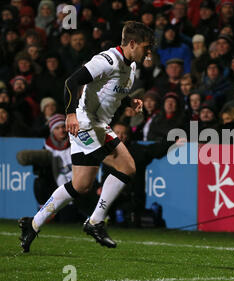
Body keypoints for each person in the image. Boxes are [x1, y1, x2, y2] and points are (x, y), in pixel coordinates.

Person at [18, 21, 155, 253]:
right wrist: (70, 114)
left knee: (81, 185)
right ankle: (95, 221)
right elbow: (71, 82)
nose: (149, 52)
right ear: (132, 43)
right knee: (127, 166)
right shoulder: (107, 60)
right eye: (146, 46)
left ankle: (32, 224)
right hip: (85, 123)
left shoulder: (129, 67)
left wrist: (129, 101)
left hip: (99, 124)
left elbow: (112, 92)